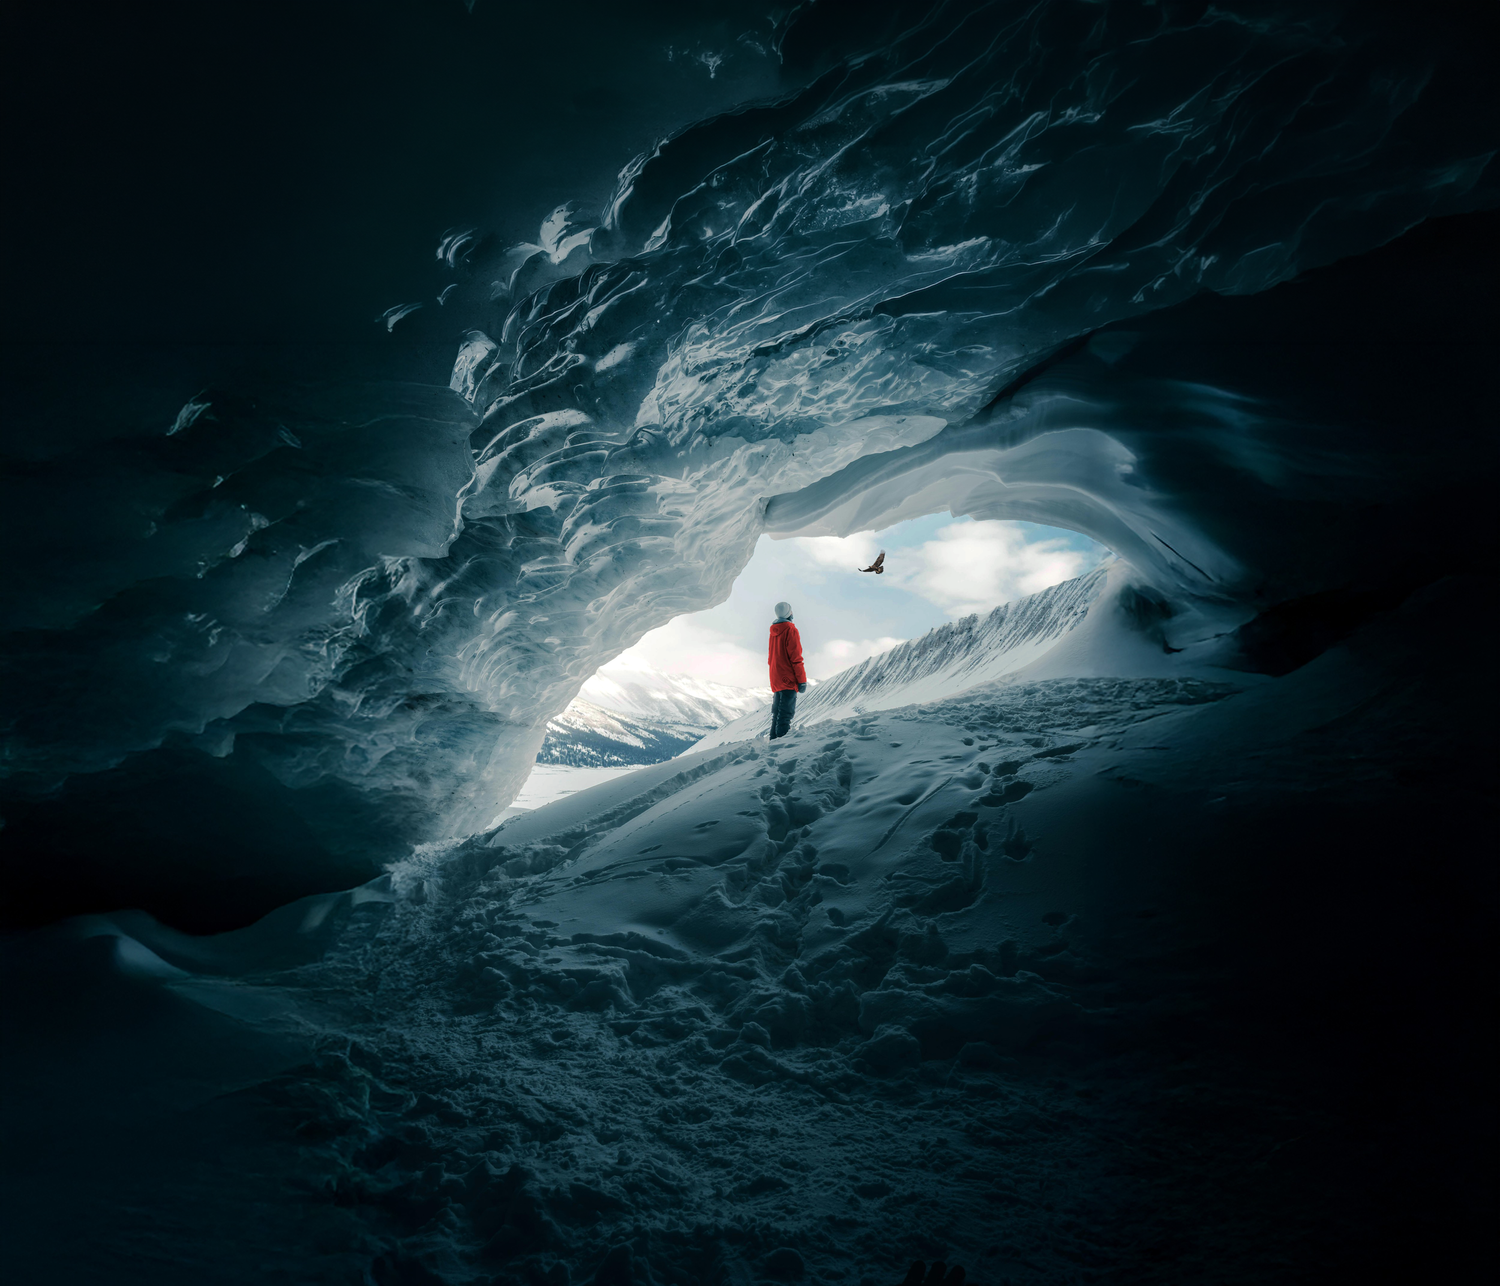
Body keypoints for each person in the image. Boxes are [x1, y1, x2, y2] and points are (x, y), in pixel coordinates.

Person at [767, 600, 807, 740]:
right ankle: (780, 747)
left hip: (776, 677)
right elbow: (796, 658)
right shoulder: (790, 630)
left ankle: (773, 743)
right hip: (788, 678)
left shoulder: (774, 631)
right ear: (789, 613)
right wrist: (801, 680)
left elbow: (771, 657)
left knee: (777, 714)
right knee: (785, 715)